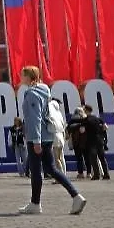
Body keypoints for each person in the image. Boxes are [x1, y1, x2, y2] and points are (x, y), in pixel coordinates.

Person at [17, 65, 86, 215]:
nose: (20, 77)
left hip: (38, 137)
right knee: (50, 168)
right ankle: (75, 196)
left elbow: (35, 118)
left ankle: (36, 204)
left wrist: (35, 140)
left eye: (22, 75)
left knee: (37, 171)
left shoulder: (31, 94)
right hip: (47, 135)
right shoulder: (44, 90)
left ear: (29, 77)